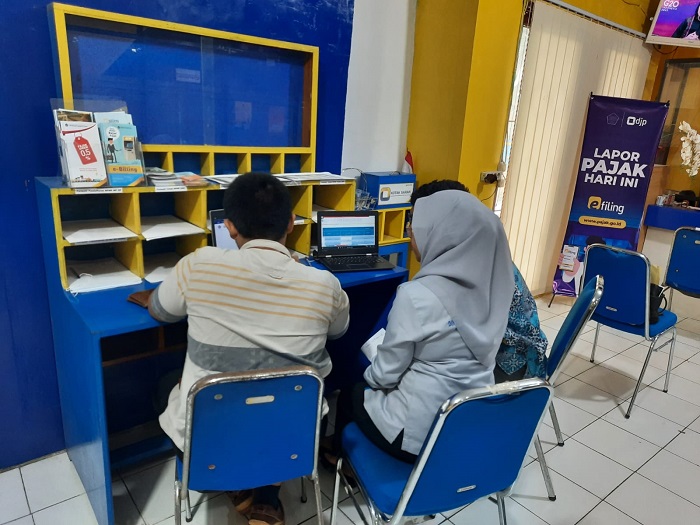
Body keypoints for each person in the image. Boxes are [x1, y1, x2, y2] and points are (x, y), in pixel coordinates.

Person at [148, 172, 350, 525]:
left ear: (228, 227)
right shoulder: (325, 284)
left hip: (210, 445)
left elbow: (160, 310)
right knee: (278, 392)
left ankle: (233, 482)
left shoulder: (199, 264)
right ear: (291, 222)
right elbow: (339, 330)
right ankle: (266, 496)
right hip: (296, 441)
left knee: (168, 382)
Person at [330, 188, 514, 463]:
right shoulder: (499, 287)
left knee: (351, 392)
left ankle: (342, 464)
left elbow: (384, 376)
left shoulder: (417, 295)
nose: (410, 230)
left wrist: (368, 374)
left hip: (418, 435)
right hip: (468, 423)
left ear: (444, 234)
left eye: (416, 224)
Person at [409, 180, 548, 383]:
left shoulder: (467, 267)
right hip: (507, 358)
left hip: (506, 368)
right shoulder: (478, 251)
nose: (412, 229)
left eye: (416, 221)